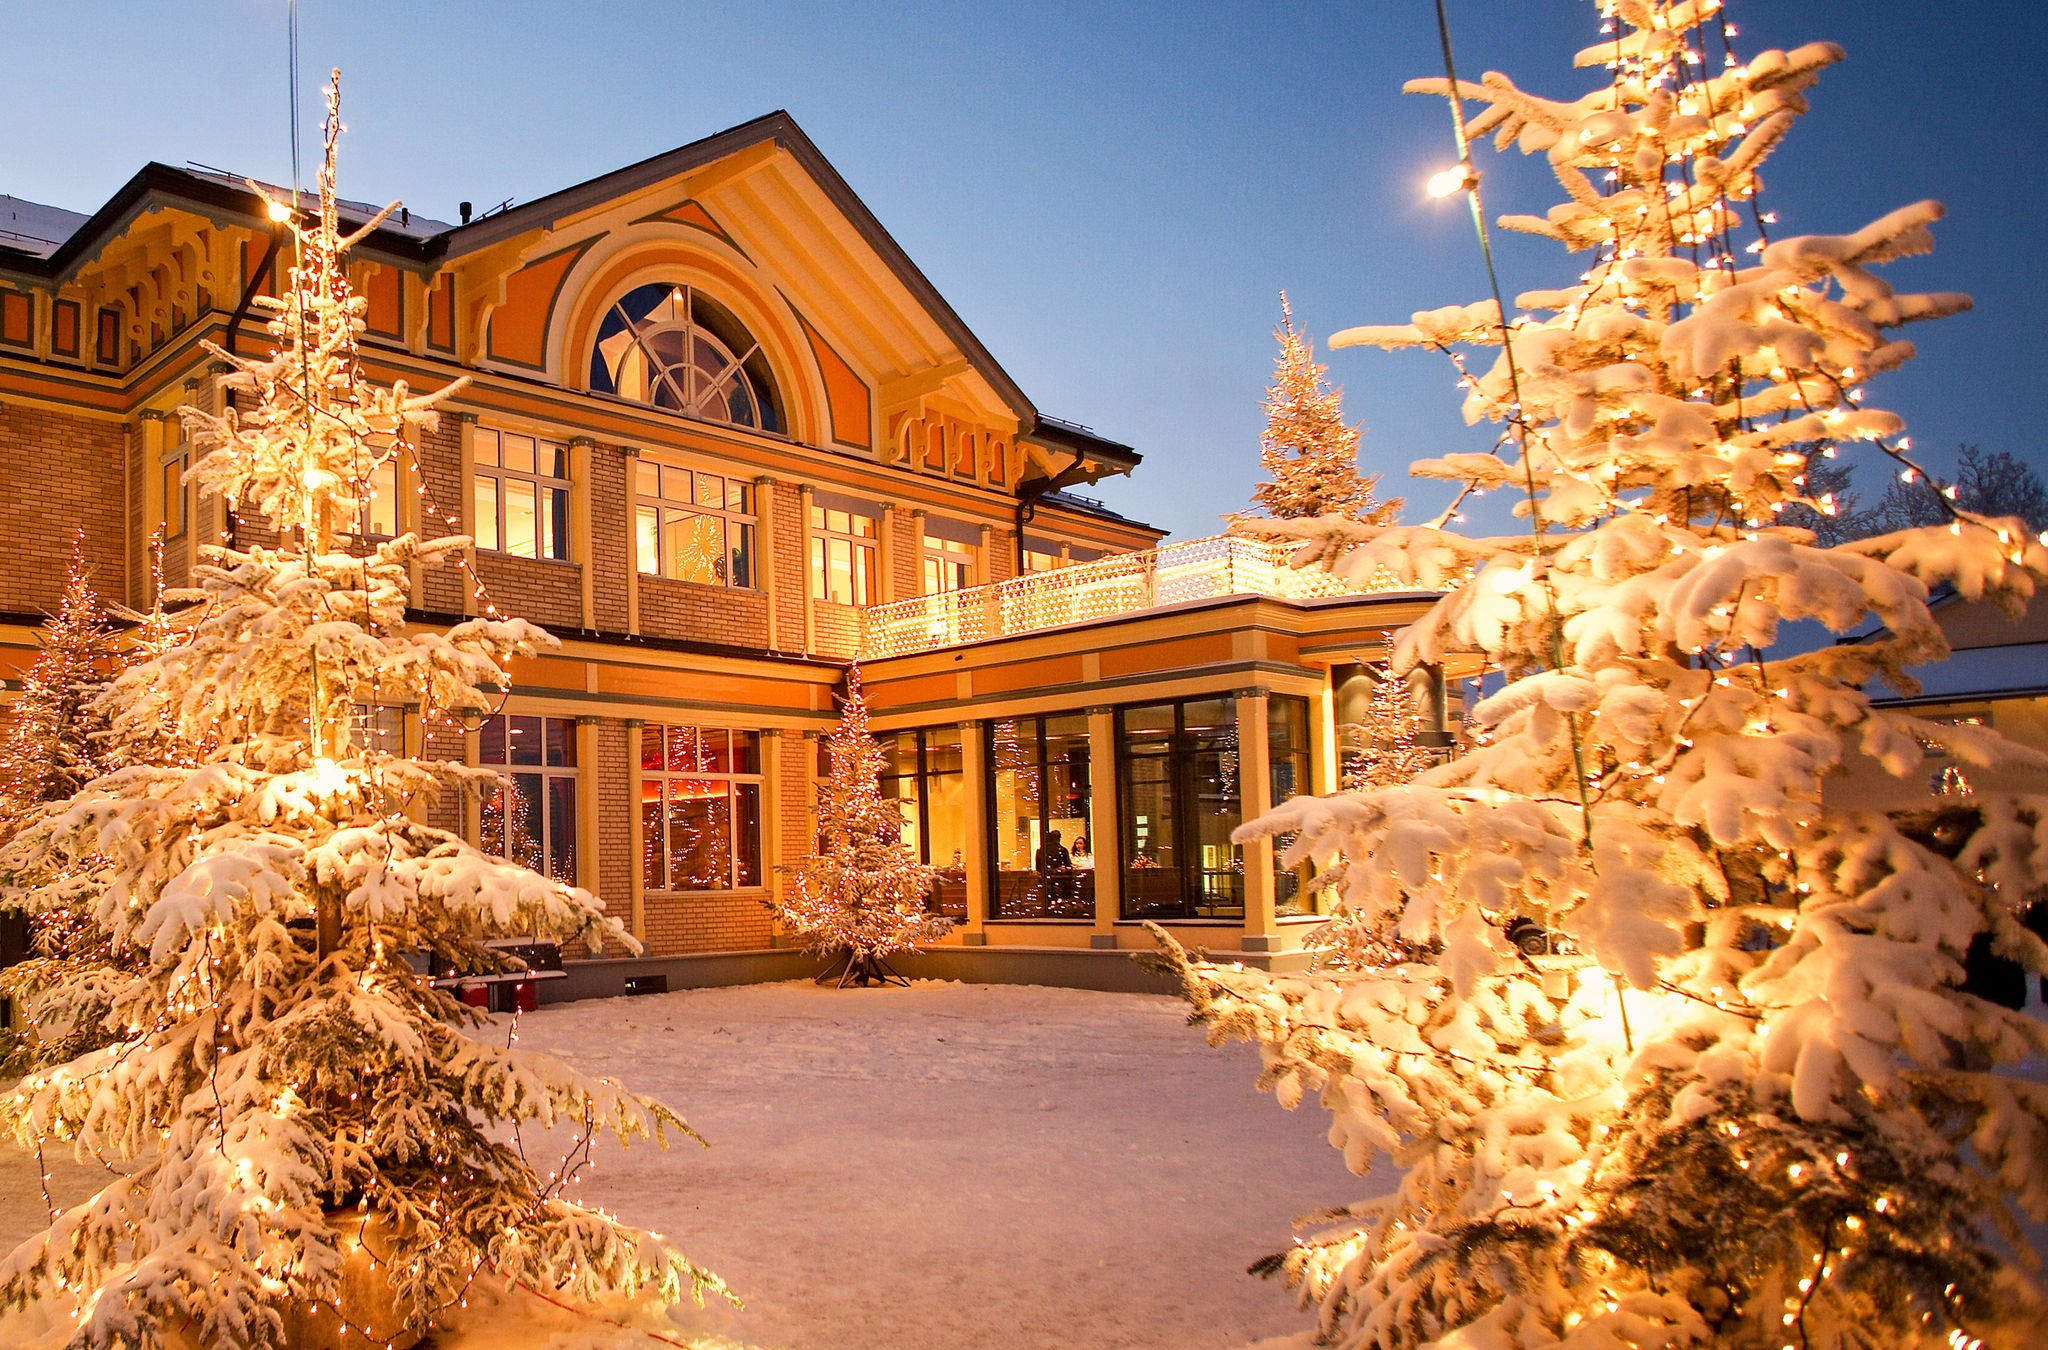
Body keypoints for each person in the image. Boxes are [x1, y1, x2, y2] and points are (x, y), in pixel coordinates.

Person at [1035, 829, 1077, 912]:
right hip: (1060, 879)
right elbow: (1068, 865)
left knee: (1049, 896)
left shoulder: (1041, 851)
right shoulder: (1062, 850)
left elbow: (1038, 867)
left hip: (1046, 879)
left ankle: (1050, 908)